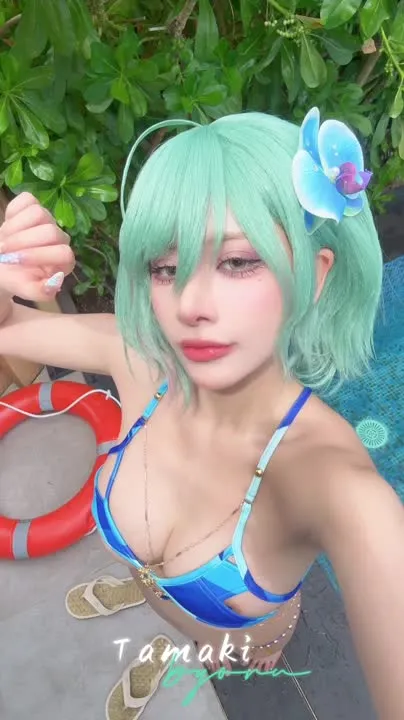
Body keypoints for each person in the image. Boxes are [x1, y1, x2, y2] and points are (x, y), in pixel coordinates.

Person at [0, 108, 403, 718]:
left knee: (219, 654)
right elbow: (9, 331)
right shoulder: (136, 357)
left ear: (315, 275)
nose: (189, 303)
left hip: (242, 641)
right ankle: (152, 605)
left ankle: (178, 653)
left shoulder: (333, 485)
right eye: (165, 268)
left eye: (237, 261)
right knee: (154, 587)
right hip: (155, 586)